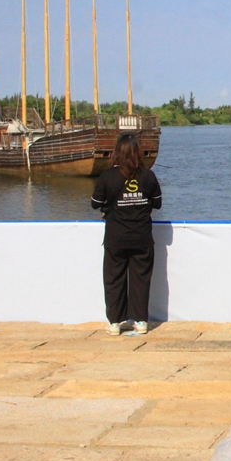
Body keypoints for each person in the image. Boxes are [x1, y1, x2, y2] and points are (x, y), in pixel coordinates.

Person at [91, 134, 162, 336]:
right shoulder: (148, 176)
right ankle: (141, 321)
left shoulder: (107, 177)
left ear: (116, 153)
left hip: (116, 236)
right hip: (142, 236)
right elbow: (157, 203)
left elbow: (95, 203)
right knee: (141, 279)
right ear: (139, 153)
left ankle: (114, 323)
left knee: (114, 279)